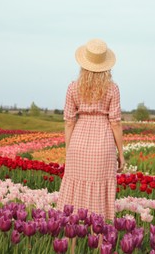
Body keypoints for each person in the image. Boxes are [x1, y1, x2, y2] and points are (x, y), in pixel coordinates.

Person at [57, 39, 124, 222]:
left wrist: (69, 150)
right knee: (99, 187)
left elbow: (69, 122)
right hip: (102, 143)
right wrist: (121, 153)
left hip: (78, 141)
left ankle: (72, 232)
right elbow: (116, 123)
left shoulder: (73, 87)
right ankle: (98, 235)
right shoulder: (112, 88)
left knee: (75, 187)